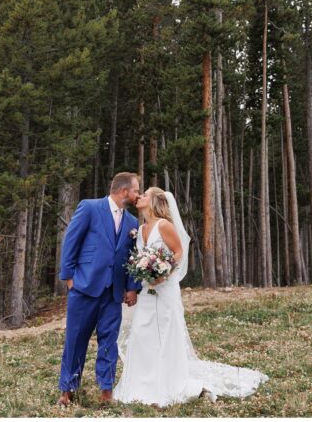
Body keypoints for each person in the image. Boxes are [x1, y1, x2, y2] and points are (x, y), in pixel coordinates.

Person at [113, 187, 268, 406]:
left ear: (155, 202)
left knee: (164, 334)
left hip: (164, 290)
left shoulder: (163, 225)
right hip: (146, 291)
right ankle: (140, 383)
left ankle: (166, 384)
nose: (140, 196)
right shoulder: (140, 228)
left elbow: (178, 251)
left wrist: (164, 271)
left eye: (145, 194)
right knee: (140, 334)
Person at [56, 172, 142, 406]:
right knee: (76, 340)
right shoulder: (90, 208)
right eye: (136, 190)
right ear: (124, 191)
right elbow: (71, 241)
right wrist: (69, 277)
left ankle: (106, 391)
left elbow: (132, 258)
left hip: (113, 294)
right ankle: (67, 390)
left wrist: (132, 287)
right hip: (84, 287)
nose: (138, 195)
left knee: (108, 342)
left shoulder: (133, 223)